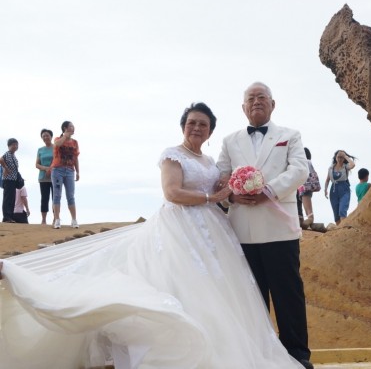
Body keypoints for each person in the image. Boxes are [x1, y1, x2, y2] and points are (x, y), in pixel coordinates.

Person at [0, 102, 304, 369]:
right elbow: (172, 193)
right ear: (183, 127)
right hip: (179, 228)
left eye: (203, 124)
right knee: (180, 284)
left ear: (210, 132)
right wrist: (213, 198)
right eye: (191, 123)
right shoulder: (172, 155)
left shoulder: (211, 162)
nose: (196, 128)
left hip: (213, 231)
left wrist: (232, 192)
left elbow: (219, 190)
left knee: (215, 291)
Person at [217, 82, 313, 369]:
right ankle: (258, 357)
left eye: (262, 97)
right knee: (252, 298)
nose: (256, 102)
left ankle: (297, 355)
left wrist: (268, 190)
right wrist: (231, 195)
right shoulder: (230, 140)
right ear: (243, 107)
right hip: (241, 230)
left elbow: (299, 170)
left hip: (279, 228)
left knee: (288, 294)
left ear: (273, 104)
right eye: (251, 98)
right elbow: (221, 177)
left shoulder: (290, 136)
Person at [50, 121, 80, 229]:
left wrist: (78, 171)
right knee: (57, 195)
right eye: (71, 126)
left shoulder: (75, 142)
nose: (73, 128)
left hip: (70, 171)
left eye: (73, 126)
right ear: (65, 128)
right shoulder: (58, 139)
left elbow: (76, 157)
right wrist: (64, 136)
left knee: (70, 196)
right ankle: (57, 219)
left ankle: (74, 219)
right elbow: (57, 145)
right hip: (58, 170)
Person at [324, 150, 356, 225]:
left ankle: (343, 228)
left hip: (344, 188)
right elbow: (327, 180)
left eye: (342, 157)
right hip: (334, 190)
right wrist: (325, 190)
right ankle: (338, 230)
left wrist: (346, 156)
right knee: (336, 213)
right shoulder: (331, 168)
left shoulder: (346, 167)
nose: (339, 159)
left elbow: (353, 165)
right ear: (335, 157)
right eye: (338, 157)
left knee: (342, 210)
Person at [35, 128, 54, 225]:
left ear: (51, 136)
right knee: (44, 198)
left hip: (55, 176)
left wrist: (50, 169)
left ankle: (56, 218)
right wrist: (46, 169)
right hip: (43, 177)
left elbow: (58, 161)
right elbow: (37, 164)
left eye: (47, 135)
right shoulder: (40, 150)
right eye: (43, 136)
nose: (45, 137)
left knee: (56, 197)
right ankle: (43, 219)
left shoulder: (56, 148)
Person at [299, 147, 320, 228]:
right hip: (305, 188)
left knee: (303, 209)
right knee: (308, 210)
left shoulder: (304, 162)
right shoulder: (308, 162)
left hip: (301, 187)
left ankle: (304, 221)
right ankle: (304, 222)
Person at [0, 138, 19, 223]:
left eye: (16, 144)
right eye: (13, 144)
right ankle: (6, 217)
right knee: (7, 198)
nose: (15, 146)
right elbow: (1, 159)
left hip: (13, 180)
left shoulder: (13, 155)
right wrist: (5, 168)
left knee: (12, 198)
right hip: (8, 179)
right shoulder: (7, 154)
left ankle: (10, 216)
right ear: (9, 146)